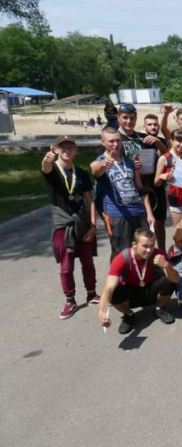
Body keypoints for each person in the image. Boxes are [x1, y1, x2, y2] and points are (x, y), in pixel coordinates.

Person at [42, 136, 99, 319]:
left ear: (76, 150)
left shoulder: (81, 173)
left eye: (70, 147)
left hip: (82, 223)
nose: (66, 150)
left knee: (88, 262)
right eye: (62, 147)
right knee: (66, 266)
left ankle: (91, 293)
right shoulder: (52, 171)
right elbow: (46, 167)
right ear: (56, 149)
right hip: (63, 225)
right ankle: (70, 300)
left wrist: (92, 225)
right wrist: (46, 159)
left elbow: (90, 200)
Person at [98, 228, 179, 334]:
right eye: (145, 246)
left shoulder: (157, 254)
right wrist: (102, 311)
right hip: (131, 295)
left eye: (152, 245)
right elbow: (108, 287)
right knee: (114, 291)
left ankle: (159, 308)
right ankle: (128, 315)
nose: (149, 250)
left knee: (169, 279)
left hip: (150, 291)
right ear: (134, 244)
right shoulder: (122, 258)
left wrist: (167, 266)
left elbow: (176, 279)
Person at [90, 127, 155, 260]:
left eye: (118, 141)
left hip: (138, 212)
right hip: (117, 215)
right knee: (119, 252)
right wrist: (103, 165)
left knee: (143, 249)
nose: (115, 144)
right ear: (103, 142)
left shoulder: (129, 162)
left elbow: (140, 189)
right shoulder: (101, 161)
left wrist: (149, 212)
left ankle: (137, 277)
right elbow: (94, 170)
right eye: (111, 141)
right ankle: (115, 278)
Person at [117, 103, 169, 250]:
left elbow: (167, 158)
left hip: (152, 186)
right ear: (118, 118)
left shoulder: (144, 138)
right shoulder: (116, 138)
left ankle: (161, 252)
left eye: (132, 118)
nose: (128, 121)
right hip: (129, 190)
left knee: (158, 222)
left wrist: (159, 143)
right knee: (135, 229)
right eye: (125, 118)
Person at [154, 129, 182, 227]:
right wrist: (162, 176)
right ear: (171, 140)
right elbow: (156, 183)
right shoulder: (165, 158)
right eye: (179, 141)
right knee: (180, 233)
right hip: (177, 201)